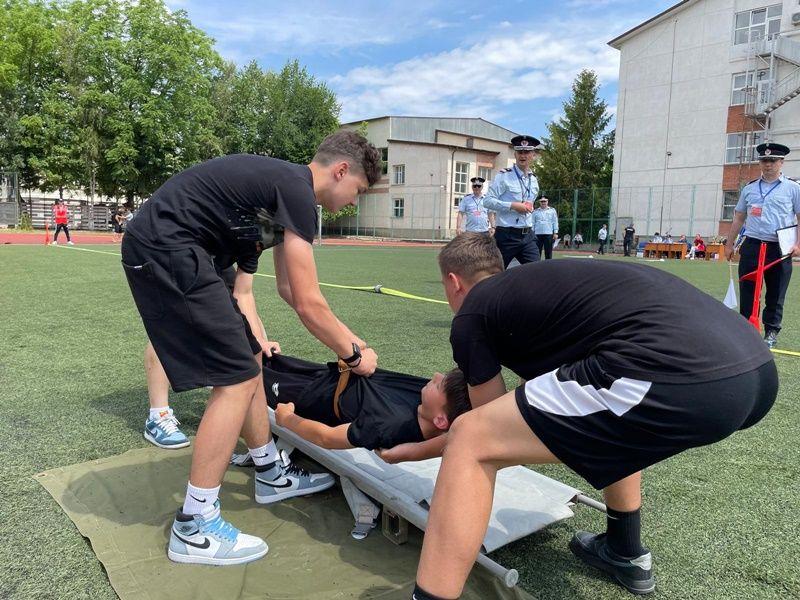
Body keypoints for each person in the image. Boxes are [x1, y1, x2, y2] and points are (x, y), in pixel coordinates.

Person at [405, 233, 777, 600]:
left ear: (454, 282)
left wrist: (418, 449)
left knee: (471, 438)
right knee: (610, 411)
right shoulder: (540, 291)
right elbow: (540, 402)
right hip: (754, 366)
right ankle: (623, 549)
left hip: (680, 372)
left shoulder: (473, 311)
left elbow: (490, 425)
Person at [121, 131, 382, 566]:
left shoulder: (284, 194)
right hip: (169, 247)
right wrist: (354, 354)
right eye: (358, 189)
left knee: (251, 358)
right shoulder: (297, 190)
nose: (354, 201)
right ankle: (195, 524)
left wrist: (351, 342)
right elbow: (308, 302)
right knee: (236, 379)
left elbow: (286, 289)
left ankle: (270, 473)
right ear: (341, 171)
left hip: (183, 250)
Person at [265, 354, 469, 450]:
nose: (435, 376)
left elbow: (327, 438)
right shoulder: (426, 398)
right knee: (268, 355)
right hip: (329, 375)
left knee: (257, 377)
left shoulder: (389, 426)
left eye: (439, 385)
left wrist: (288, 419)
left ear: (440, 420)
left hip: (314, 396)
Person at [726, 142, 800, 349]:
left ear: (781, 162)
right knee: (748, 290)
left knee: (776, 292)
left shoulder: (793, 189)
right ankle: (747, 330)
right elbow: (739, 217)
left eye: (772, 160)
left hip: (779, 248)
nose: (768, 164)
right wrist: (729, 244)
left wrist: (798, 244)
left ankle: (771, 331)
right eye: (764, 160)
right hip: (752, 245)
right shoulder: (749, 188)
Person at [484, 135, 542, 267]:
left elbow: (529, 202)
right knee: (495, 273)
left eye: (526, 152)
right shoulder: (504, 176)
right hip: (506, 236)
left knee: (537, 273)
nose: (523, 155)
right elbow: (487, 201)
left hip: (527, 236)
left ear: (533, 155)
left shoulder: (533, 180)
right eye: (520, 152)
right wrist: (512, 206)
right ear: (515, 154)